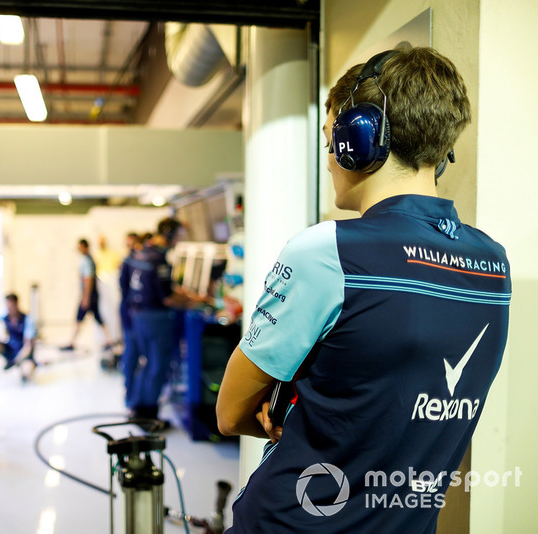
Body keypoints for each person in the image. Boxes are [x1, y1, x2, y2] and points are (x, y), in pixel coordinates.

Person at [216, 47, 510, 533]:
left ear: (359, 138)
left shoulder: (327, 252)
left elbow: (231, 413)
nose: (330, 158)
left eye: (331, 137)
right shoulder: (492, 264)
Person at [124, 218, 206, 425]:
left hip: (139, 317)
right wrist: (195, 301)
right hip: (156, 319)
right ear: (169, 233)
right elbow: (167, 297)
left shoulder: (142, 253)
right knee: (157, 366)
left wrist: (186, 296)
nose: (179, 240)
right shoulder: (159, 260)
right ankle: (149, 415)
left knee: (146, 364)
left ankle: (138, 407)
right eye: (179, 235)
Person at [61, 238, 113, 351]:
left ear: (84, 247)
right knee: (97, 318)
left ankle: (72, 342)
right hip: (91, 295)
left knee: (80, 318)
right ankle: (108, 340)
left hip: (89, 295)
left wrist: (86, 297)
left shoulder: (87, 261)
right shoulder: (89, 259)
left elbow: (88, 280)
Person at [118, 232, 143, 403]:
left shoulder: (136, 262)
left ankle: (133, 393)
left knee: (133, 353)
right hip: (130, 313)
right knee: (131, 353)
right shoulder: (130, 263)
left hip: (134, 313)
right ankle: (130, 394)